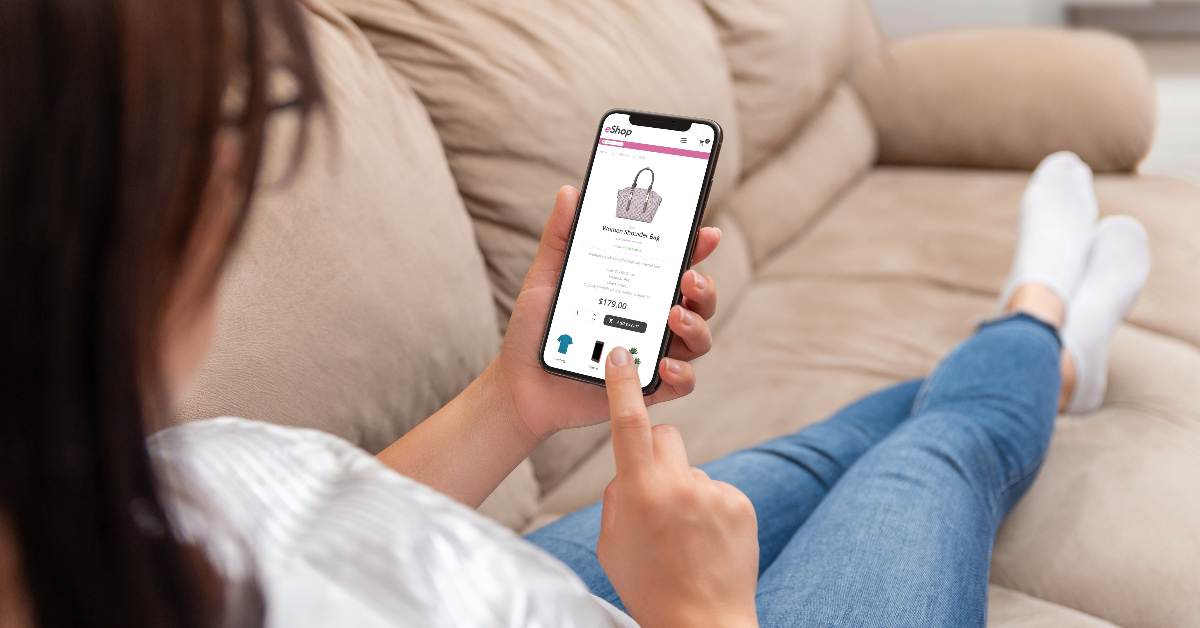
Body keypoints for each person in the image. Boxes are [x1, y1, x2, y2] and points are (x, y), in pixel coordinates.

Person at [0, 2, 1150, 628]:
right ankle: (1037, 327)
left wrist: (512, 401)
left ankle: (1033, 358)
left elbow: (313, 516)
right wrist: (701, 611)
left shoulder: (87, 489)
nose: (240, 167)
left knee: (824, 447)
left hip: (483, 576)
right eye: (213, 126)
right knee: (939, 461)